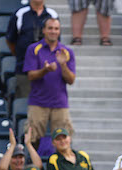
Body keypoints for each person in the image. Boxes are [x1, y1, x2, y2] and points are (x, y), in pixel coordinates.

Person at [24, 18, 76, 148]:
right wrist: (45, 70)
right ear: (44, 30)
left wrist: (63, 65)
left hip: (60, 102)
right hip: (38, 101)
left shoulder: (67, 52)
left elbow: (71, 80)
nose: (53, 31)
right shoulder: (34, 49)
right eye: (50, 28)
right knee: (32, 139)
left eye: (56, 28)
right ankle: (33, 167)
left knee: (63, 140)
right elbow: (30, 75)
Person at [7, 0, 59, 99]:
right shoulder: (20, 14)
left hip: (47, 71)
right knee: (24, 105)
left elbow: (56, 43)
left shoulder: (52, 14)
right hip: (24, 70)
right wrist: (20, 56)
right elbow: (10, 40)